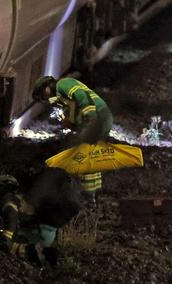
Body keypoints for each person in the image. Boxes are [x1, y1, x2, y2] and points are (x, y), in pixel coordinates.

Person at [32, 75, 112, 204]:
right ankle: (94, 195)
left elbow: (81, 97)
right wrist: (71, 124)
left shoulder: (63, 84)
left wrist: (90, 118)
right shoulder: (62, 98)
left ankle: (89, 198)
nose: (47, 100)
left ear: (46, 89)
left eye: (44, 97)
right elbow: (74, 110)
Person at [0, 169, 83, 267]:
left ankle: (39, 258)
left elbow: (11, 215)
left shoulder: (10, 199)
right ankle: (45, 259)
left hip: (43, 228)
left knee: (17, 242)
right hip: (51, 226)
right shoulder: (27, 195)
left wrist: (6, 237)